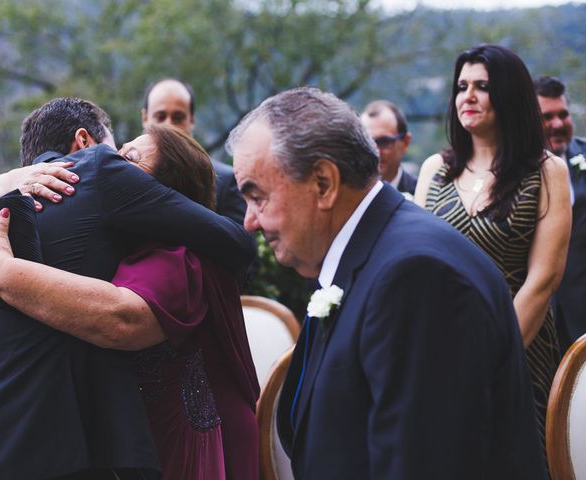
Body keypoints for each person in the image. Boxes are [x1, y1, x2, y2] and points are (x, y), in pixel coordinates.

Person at [226, 86, 546, 479]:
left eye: (257, 196)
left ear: (324, 183)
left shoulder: (417, 277)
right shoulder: (369, 254)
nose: (249, 221)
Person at [0, 98, 255, 480]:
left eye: (132, 159)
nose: (123, 165)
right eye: (118, 151)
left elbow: (120, 317)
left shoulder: (7, 207)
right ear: (85, 142)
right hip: (46, 446)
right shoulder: (97, 168)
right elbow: (238, 243)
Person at [414, 45, 571, 453]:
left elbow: (544, 279)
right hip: (438, 345)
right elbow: (411, 266)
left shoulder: (546, 170)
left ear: (509, 94)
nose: (467, 96)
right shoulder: (435, 170)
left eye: (482, 86)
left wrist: (487, 360)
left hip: (517, 346)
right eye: (461, 86)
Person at [142, 78, 246, 225]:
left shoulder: (225, 182)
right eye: (160, 117)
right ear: (145, 119)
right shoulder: (128, 177)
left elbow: (242, 245)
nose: (169, 125)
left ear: (192, 120)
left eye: (178, 117)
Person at [535, 75, 586, 353]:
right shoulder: (514, 173)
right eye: (547, 116)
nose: (557, 124)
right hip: (541, 325)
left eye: (563, 114)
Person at [360, 100, 417, 195]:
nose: (374, 151)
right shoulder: (346, 196)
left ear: (405, 142)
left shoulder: (421, 195)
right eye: (366, 142)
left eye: (384, 142)